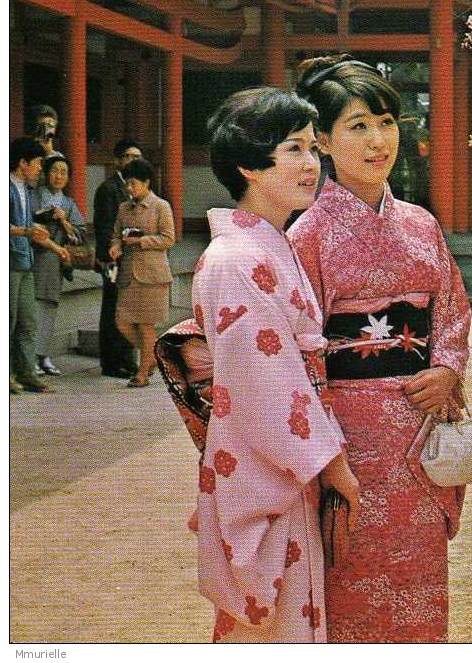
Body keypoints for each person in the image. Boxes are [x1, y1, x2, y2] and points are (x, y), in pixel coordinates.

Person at [155, 87, 358, 644]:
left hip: (284, 461)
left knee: (289, 612)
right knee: (271, 619)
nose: (311, 164)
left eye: (313, 149)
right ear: (248, 164)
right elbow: (264, 385)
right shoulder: (236, 258)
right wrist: (332, 464)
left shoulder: (269, 246)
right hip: (266, 457)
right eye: (293, 150)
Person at [289, 56, 472, 644]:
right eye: (358, 125)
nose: (377, 140)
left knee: (419, 575)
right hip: (350, 435)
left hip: (420, 424)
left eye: (387, 122)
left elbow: (451, 309)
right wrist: (324, 446)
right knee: (352, 571)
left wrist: (446, 367)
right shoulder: (306, 233)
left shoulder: (420, 223)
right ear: (321, 139)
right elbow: (302, 349)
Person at [109, 157, 175, 387]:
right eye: (127, 184)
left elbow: (168, 239)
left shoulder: (161, 206)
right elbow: (116, 234)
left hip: (151, 275)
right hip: (128, 276)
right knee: (123, 322)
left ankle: (142, 372)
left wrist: (141, 240)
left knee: (146, 325)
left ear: (147, 183)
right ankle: (154, 357)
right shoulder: (123, 208)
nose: (129, 188)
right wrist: (116, 246)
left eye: (134, 184)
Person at [9, 136, 57, 393]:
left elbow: (24, 226)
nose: (40, 169)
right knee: (9, 319)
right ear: (22, 162)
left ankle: (26, 372)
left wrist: (35, 229)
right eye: (37, 162)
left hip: (24, 260)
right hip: (9, 262)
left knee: (27, 320)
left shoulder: (27, 190)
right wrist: (28, 231)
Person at [31, 151, 85, 376]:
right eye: (55, 170)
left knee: (49, 308)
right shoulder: (34, 196)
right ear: (46, 173)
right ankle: (29, 356)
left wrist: (63, 220)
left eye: (64, 172)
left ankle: (43, 355)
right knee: (31, 309)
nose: (59, 175)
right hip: (34, 258)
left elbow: (80, 235)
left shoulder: (69, 204)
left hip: (56, 262)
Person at [94, 139, 141, 378]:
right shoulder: (108, 189)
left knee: (130, 307)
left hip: (133, 259)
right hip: (112, 260)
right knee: (112, 306)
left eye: (137, 157)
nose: (134, 161)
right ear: (118, 160)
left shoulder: (137, 188)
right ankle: (111, 362)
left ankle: (127, 358)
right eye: (130, 157)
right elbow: (104, 228)